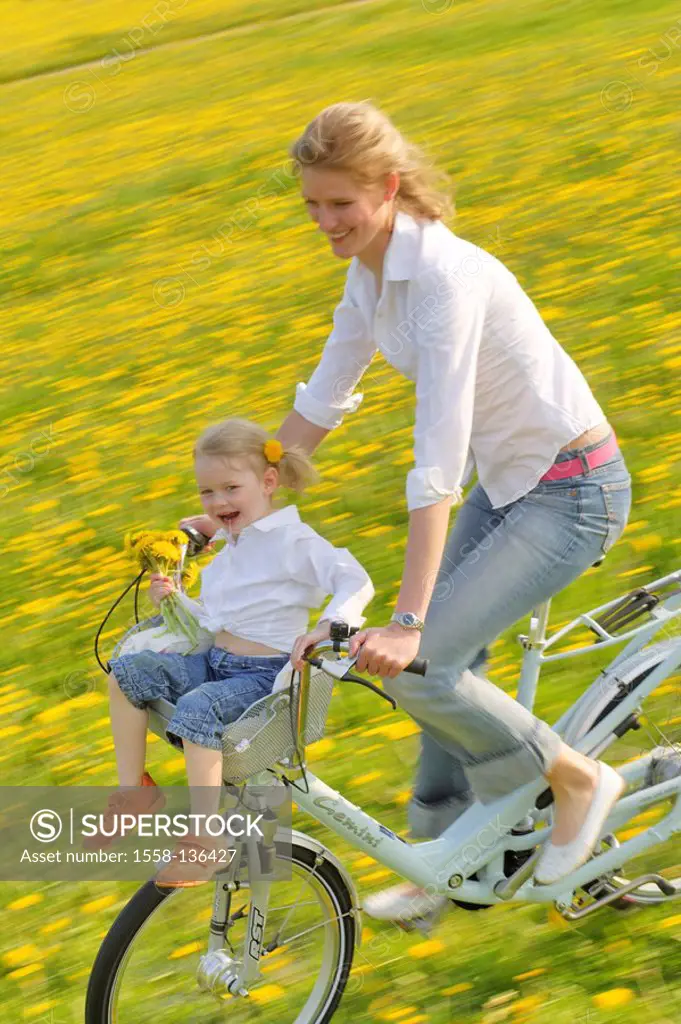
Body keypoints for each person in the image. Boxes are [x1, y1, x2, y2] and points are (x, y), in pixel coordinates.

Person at [276, 100, 632, 918]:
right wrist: (232, 504)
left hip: (573, 489)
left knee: (424, 658)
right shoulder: (367, 273)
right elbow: (321, 404)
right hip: (511, 486)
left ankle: (577, 782)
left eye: (341, 204)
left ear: (389, 188)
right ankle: (453, 862)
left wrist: (406, 619)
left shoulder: (441, 279)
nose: (326, 222)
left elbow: (435, 461)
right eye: (313, 206)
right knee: (432, 670)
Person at [91, 417, 374, 886]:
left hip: (262, 676)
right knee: (127, 672)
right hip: (215, 662)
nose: (218, 502)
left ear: (267, 482)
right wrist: (174, 598)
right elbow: (218, 618)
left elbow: (355, 578)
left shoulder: (294, 542)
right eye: (207, 492)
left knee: (198, 707)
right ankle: (133, 793)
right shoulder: (233, 544)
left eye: (230, 488)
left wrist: (330, 625)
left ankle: (206, 842)